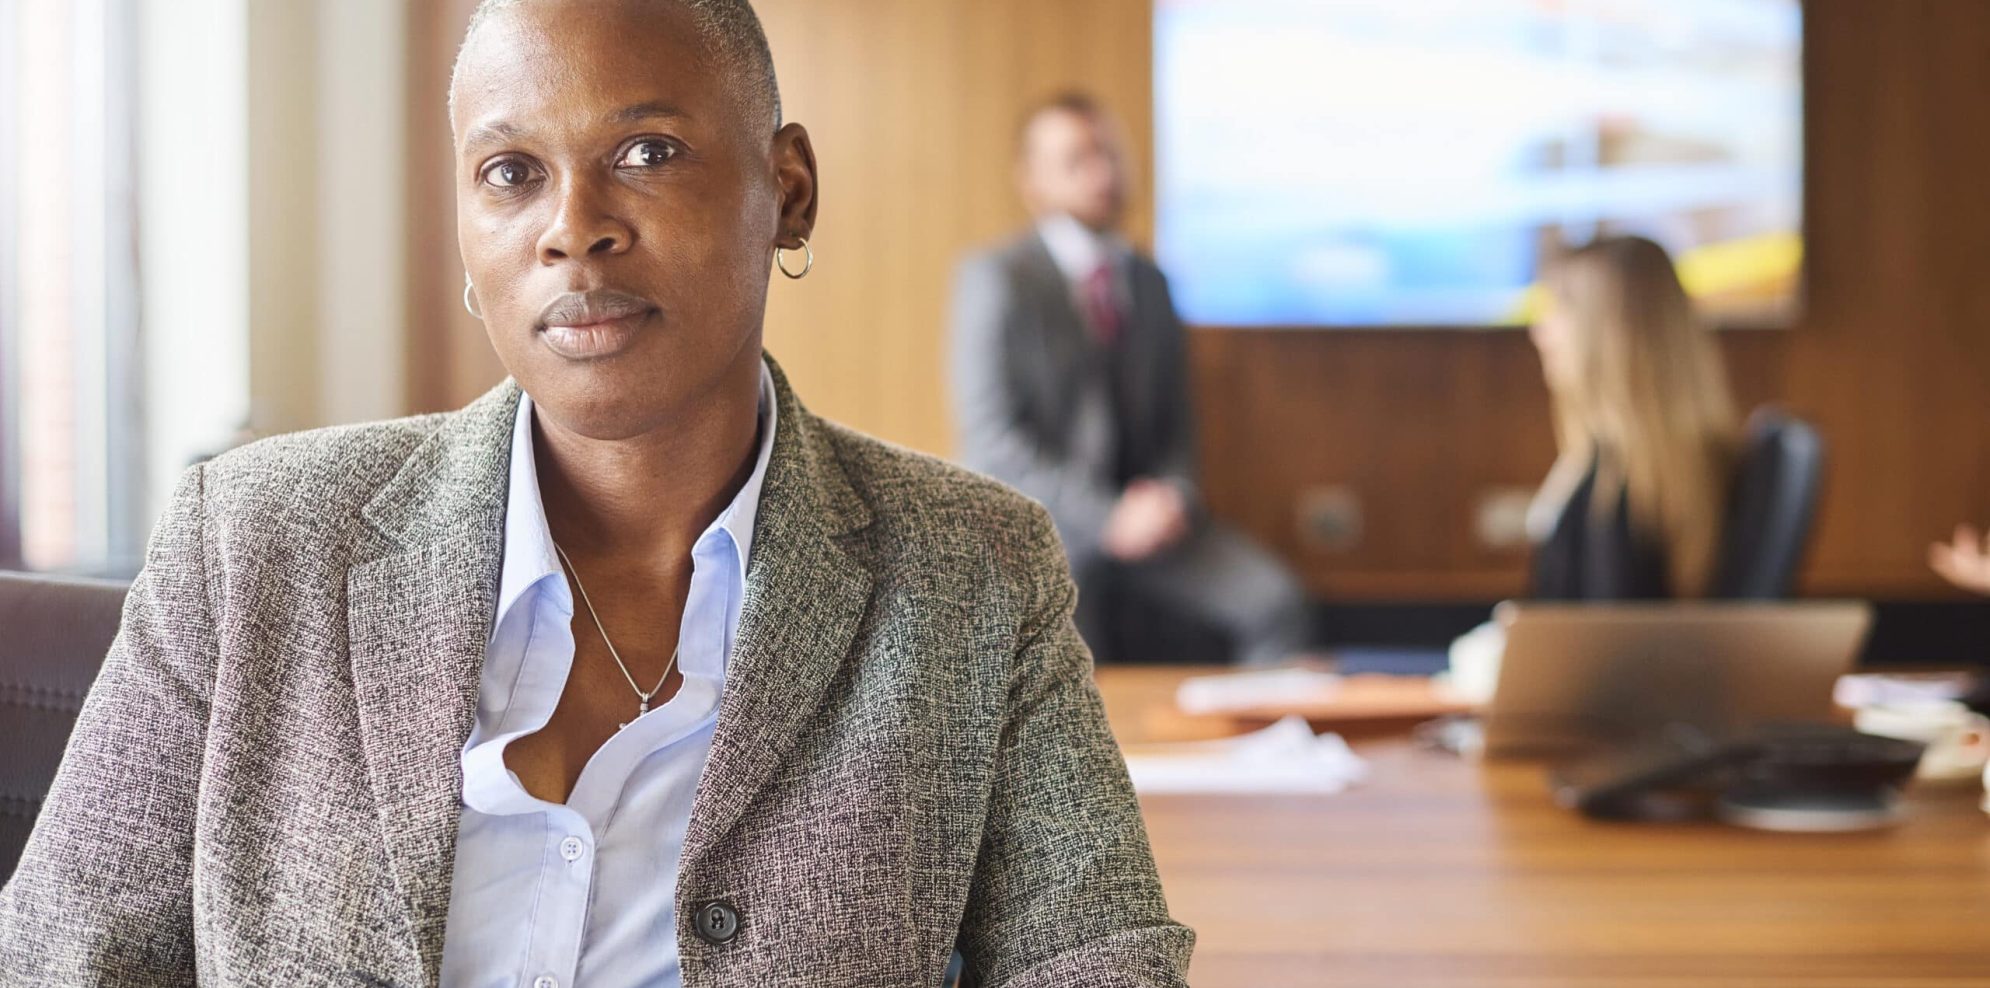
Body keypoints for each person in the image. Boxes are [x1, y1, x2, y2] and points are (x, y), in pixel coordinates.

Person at [0, 2, 1193, 985]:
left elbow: (1093, 953)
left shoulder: (973, 566)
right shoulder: (253, 537)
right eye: (510, 172)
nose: (573, 231)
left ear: (788, 187)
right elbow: (64, 954)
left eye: (646, 152)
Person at [949, 92, 1311, 667]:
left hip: (1157, 529)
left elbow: (1177, 427)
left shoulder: (1151, 283)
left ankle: (1273, 753)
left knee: (1276, 605)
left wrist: (1172, 497)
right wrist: (1107, 517)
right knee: (1067, 635)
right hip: (1048, 529)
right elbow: (996, 443)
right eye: (1077, 159)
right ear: (1033, 181)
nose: (1102, 172)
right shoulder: (999, 280)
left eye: (1110, 153)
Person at [1526, 235, 1743, 599]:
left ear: (1610, 329)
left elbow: (1601, 643)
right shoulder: (1613, 464)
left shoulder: (1619, 489)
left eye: (1561, 308)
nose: (1540, 332)